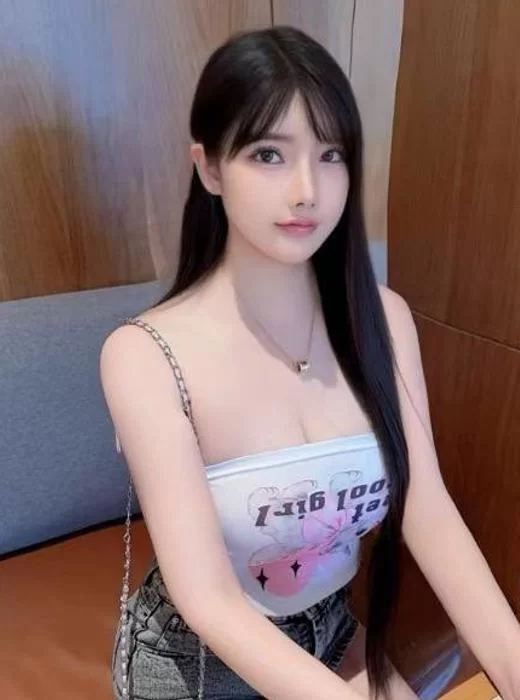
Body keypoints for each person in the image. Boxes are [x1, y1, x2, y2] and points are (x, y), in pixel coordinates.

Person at [100, 24, 425, 700]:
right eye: (269, 154)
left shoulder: (384, 319)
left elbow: (429, 509)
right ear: (210, 168)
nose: (307, 190)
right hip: (193, 663)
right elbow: (210, 602)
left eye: (331, 154)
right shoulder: (144, 355)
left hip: (329, 627)